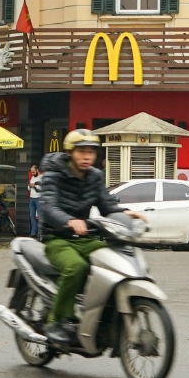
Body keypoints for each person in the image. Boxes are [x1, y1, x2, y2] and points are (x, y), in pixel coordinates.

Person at [35, 130, 145, 348]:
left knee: (114, 262)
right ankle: (57, 321)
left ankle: (98, 315)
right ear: (70, 152)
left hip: (86, 237)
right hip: (57, 237)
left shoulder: (94, 176)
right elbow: (47, 206)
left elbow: (106, 205)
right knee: (76, 267)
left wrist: (124, 213)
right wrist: (68, 221)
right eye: (82, 151)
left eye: (91, 152)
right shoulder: (53, 175)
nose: (87, 157)